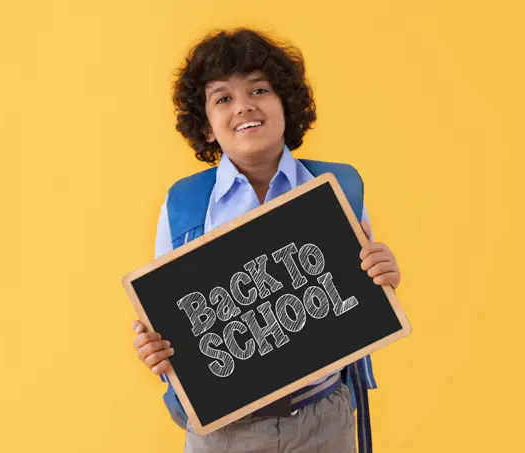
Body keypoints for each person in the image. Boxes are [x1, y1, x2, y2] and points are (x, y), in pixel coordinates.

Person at [131, 27, 401, 453]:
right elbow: (167, 316)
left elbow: (363, 288)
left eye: (259, 89)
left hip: (323, 418)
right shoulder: (185, 205)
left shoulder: (335, 188)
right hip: (223, 430)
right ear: (206, 128)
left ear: (285, 105)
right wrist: (156, 348)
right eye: (223, 98)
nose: (244, 107)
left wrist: (383, 272)